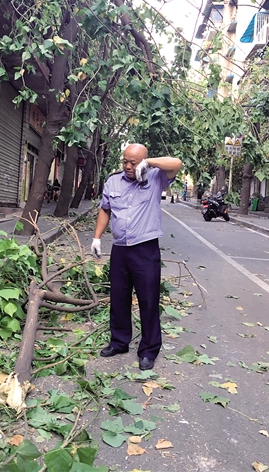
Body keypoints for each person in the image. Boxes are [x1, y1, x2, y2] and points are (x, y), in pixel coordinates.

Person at [91, 144, 182, 370]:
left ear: (143, 161)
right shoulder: (113, 181)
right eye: (125, 162)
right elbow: (105, 209)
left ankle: (149, 350)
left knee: (148, 300)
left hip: (145, 249)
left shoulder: (155, 177)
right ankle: (119, 342)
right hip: (120, 250)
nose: (129, 166)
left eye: (134, 162)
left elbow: (177, 163)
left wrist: (148, 164)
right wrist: (96, 237)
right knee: (119, 297)